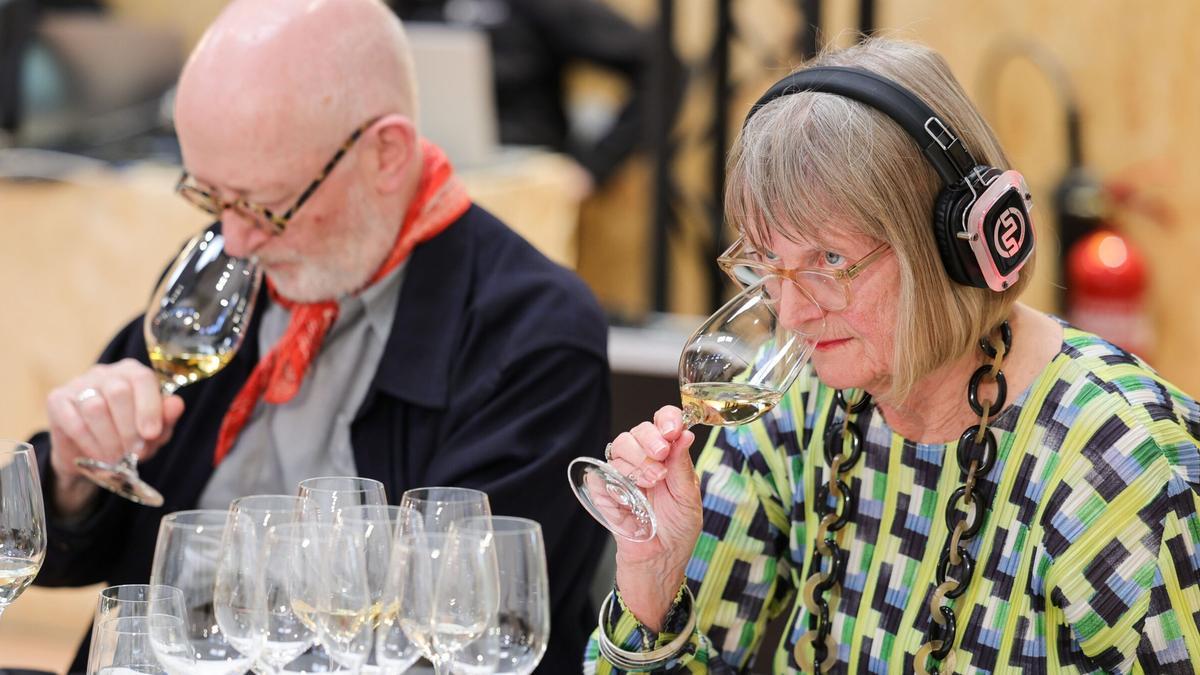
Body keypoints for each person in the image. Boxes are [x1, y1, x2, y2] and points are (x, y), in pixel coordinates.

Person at [28, 0, 610, 672]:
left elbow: (472, 638)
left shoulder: (531, 334)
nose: (234, 238)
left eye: (263, 205)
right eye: (211, 198)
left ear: (386, 154)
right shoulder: (225, 274)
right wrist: (76, 475)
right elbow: (82, 550)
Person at [584, 38, 1200, 674]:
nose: (791, 314)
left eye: (829, 261)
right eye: (768, 263)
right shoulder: (795, 405)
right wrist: (653, 586)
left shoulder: (1117, 462)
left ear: (957, 244)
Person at [391, 0, 681, 186]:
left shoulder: (543, 7)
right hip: (424, 177)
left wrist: (595, 165)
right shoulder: (411, 7)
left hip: (521, 188)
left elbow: (660, 66)